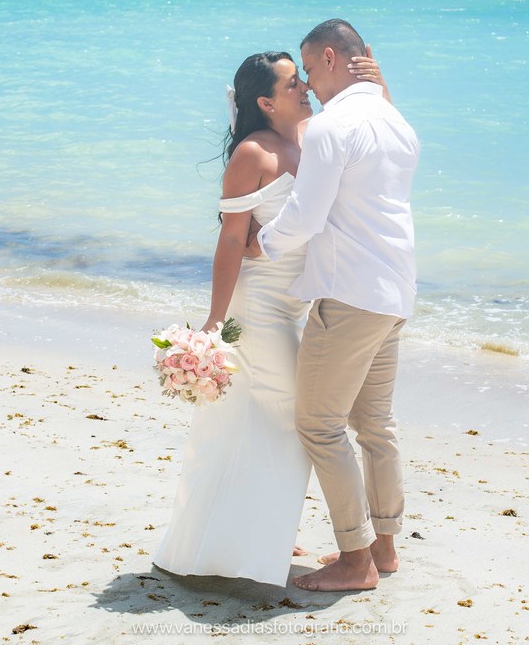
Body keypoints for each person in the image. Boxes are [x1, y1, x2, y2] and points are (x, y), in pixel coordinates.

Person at [152, 47, 388, 587]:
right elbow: (231, 240)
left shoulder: (308, 140)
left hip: (297, 306)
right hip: (257, 310)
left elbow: (376, 131)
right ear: (265, 101)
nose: (304, 87)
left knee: (258, 423)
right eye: (291, 84)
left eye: (302, 79)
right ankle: (252, 539)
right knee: (290, 420)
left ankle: (256, 532)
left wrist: (380, 82)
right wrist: (212, 325)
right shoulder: (254, 155)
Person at [253, 19, 419, 592]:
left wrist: (261, 243)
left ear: (329, 57)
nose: (305, 84)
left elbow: (305, 216)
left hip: (349, 296)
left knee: (320, 426)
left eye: (307, 69)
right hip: (396, 292)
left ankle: (355, 561)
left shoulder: (331, 128)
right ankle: (385, 547)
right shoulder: (396, 120)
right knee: (375, 424)